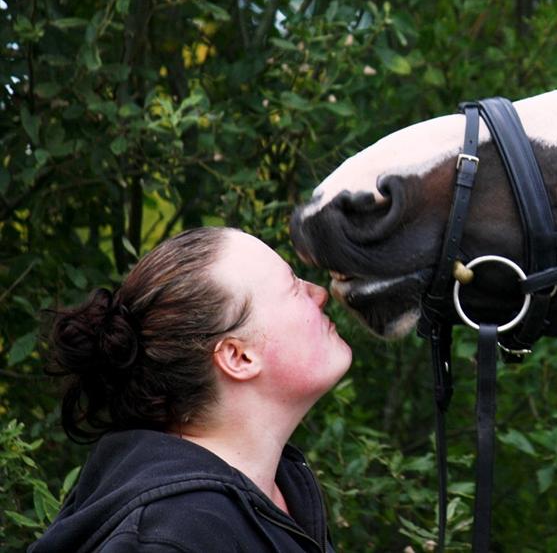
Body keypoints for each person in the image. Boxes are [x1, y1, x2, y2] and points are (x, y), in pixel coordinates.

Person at [31, 227, 353, 553]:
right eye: (293, 288)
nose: (320, 293)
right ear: (238, 356)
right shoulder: (173, 534)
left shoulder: (278, 494)